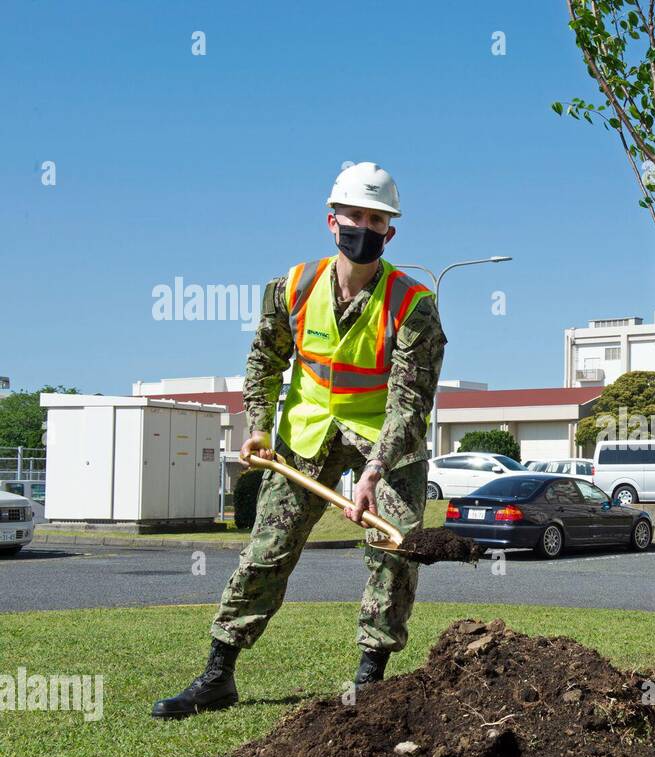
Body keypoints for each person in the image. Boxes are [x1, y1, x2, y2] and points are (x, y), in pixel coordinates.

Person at [152, 162, 447, 719]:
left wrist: (375, 471)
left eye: (376, 219)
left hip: (382, 438)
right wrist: (260, 424)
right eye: (354, 216)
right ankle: (218, 675)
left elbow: (412, 401)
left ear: (391, 232)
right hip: (305, 431)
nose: (364, 227)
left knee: (393, 549)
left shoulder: (414, 305)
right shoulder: (292, 287)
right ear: (331, 220)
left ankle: (370, 678)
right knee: (267, 550)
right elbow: (264, 361)